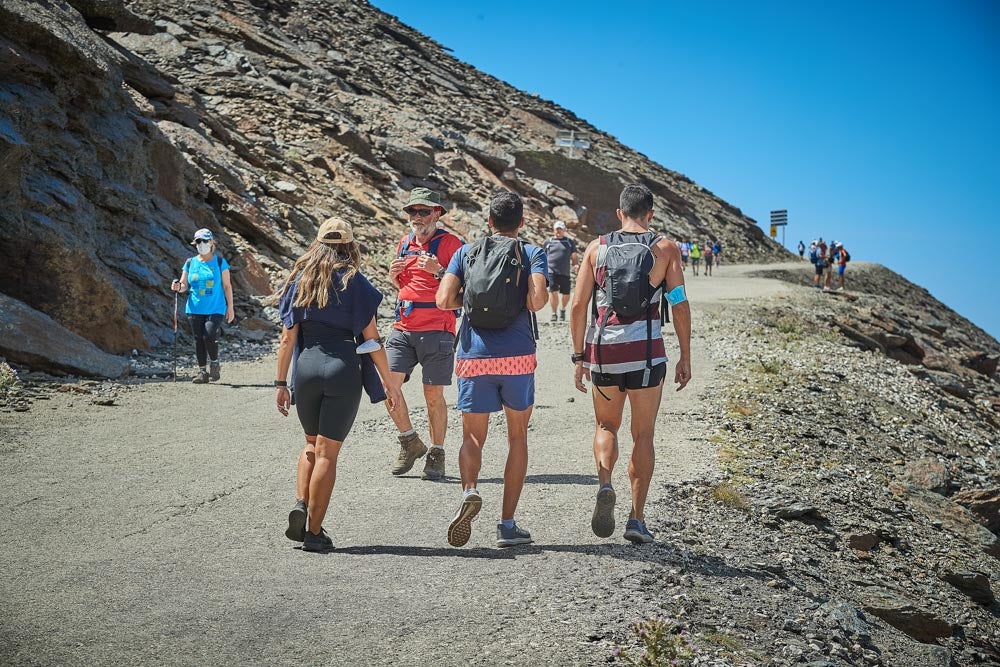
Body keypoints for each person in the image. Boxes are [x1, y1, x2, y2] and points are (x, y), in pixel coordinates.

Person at [570, 184, 692, 545]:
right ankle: (636, 519)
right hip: (647, 355)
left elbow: (578, 306)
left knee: (606, 424)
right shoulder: (665, 248)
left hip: (605, 352)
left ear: (620, 213)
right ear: (650, 214)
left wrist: (579, 357)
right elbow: (680, 303)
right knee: (644, 433)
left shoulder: (597, 248)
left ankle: (605, 483)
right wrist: (685, 354)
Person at [275, 218, 403, 552]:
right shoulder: (353, 281)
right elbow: (372, 341)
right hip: (342, 369)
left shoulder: (301, 280)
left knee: (310, 443)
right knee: (328, 454)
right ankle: (314, 533)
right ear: (349, 246)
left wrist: (279, 383)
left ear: (316, 243)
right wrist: (389, 384)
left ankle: (301, 504)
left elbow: (288, 339)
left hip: (305, 370)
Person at [436, 191, 548, 548]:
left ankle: (470, 490)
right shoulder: (531, 252)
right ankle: (507, 525)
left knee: (472, 436)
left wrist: (467, 300)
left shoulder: (465, 253)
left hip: (473, 354)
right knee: (517, 437)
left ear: (489, 221)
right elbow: (538, 301)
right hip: (517, 356)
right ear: (522, 223)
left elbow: (443, 300)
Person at [385, 188, 464, 480]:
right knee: (388, 388)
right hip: (403, 328)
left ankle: (436, 452)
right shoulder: (404, 243)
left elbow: (465, 288)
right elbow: (405, 288)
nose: (417, 217)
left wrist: (440, 271)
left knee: (433, 395)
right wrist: (394, 279)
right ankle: (409, 440)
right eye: (412, 212)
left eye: (423, 211)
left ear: (437, 213)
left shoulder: (451, 244)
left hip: (438, 329)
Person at [171, 228, 234, 383]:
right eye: (198, 241)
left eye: (205, 240)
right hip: (194, 308)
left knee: (209, 334)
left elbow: (227, 286)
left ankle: (214, 363)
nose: (202, 244)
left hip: (216, 307)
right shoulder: (190, 263)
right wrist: (178, 287)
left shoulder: (220, 262)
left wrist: (230, 307)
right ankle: (202, 372)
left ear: (211, 242)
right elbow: (184, 285)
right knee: (199, 339)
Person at [544, 221, 578, 322]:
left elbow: (574, 255)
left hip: (565, 272)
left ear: (564, 230)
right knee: (553, 292)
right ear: (553, 230)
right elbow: (543, 256)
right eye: (556, 229)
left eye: (560, 229)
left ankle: (562, 309)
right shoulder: (548, 242)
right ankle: (554, 313)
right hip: (551, 271)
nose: (558, 231)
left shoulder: (569, 242)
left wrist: (576, 264)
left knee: (566, 294)